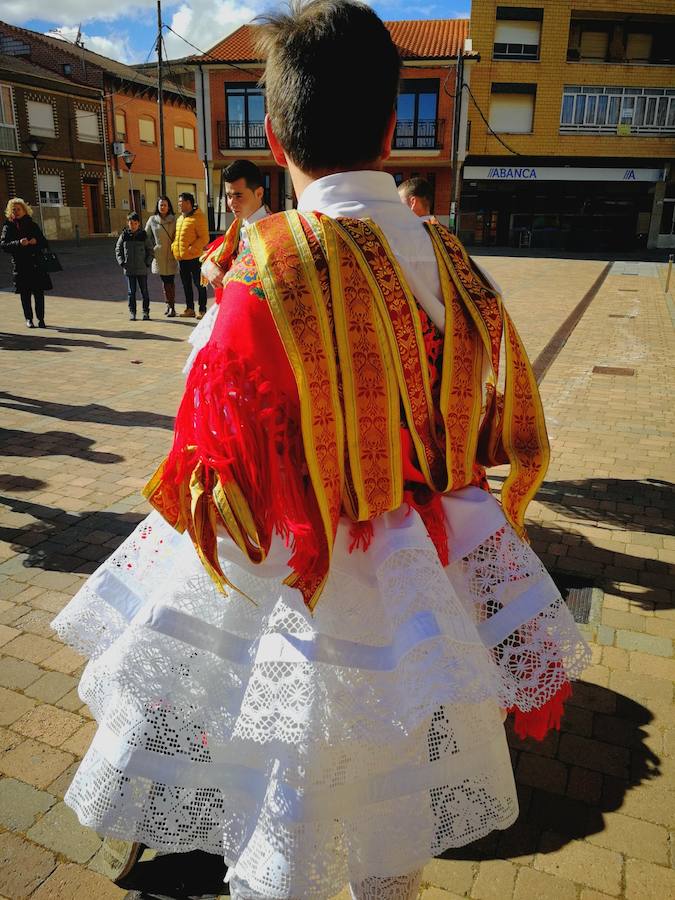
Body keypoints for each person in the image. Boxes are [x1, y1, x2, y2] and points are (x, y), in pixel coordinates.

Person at [53, 3, 589, 899]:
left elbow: (213, 468)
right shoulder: (461, 263)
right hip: (430, 575)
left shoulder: (262, 266)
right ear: (390, 127)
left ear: (271, 132)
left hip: (294, 584)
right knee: (395, 798)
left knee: (284, 800)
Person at [189, 160, 270, 373]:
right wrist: (208, 266)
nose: (231, 203)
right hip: (230, 318)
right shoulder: (236, 228)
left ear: (259, 193)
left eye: (238, 195)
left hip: (257, 328)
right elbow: (211, 255)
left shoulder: (274, 231)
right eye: (228, 196)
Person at [0, 198, 52, 328]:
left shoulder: (32, 224)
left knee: (39, 293)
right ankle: (29, 319)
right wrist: (18, 243)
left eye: (19, 209)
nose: (16, 212)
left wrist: (36, 241)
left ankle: (41, 319)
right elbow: (4, 245)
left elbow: (44, 242)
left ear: (24, 210)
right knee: (25, 294)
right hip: (21, 265)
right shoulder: (9, 226)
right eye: (14, 209)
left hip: (36, 264)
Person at [172, 191, 209, 319]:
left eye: (181, 202)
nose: (179, 205)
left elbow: (204, 238)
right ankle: (190, 309)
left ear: (188, 203)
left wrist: (191, 249)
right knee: (186, 284)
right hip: (182, 258)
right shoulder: (180, 219)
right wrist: (174, 248)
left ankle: (202, 309)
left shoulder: (198, 217)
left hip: (195, 258)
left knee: (199, 284)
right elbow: (177, 237)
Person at [115, 212, 154, 321]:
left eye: (135, 223)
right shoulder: (124, 235)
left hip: (142, 269)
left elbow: (150, 250)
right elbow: (118, 249)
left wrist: (147, 262)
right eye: (131, 223)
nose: (133, 225)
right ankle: (132, 312)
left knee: (144, 291)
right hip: (129, 269)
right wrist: (122, 262)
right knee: (131, 292)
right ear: (128, 223)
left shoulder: (143, 235)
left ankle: (146, 312)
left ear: (138, 224)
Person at [145, 196, 178, 317]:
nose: (163, 207)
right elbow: (146, 236)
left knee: (171, 280)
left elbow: (178, 236)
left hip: (171, 253)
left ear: (169, 206)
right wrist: (153, 247)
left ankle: (172, 306)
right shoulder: (152, 220)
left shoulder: (175, 220)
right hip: (159, 254)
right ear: (157, 207)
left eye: (165, 205)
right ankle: (169, 305)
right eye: (160, 205)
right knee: (164, 281)